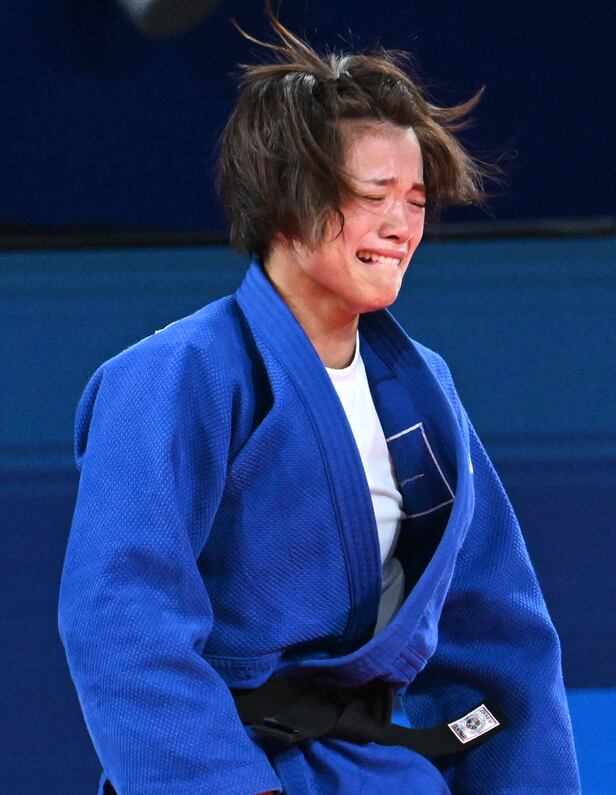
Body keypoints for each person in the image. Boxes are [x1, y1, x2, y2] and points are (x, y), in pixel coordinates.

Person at [58, 9, 580, 795]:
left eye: (416, 199)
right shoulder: (177, 375)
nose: (401, 225)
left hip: (391, 773)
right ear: (285, 198)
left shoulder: (424, 390)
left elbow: (499, 637)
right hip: (237, 770)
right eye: (374, 194)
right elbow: (121, 616)